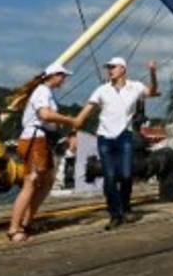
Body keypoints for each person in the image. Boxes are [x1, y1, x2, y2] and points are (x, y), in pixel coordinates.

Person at [73, 57, 159, 230]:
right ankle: (115, 214)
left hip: (124, 136)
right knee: (110, 176)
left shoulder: (135, 87)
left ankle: (125, 207)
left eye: (113, 67)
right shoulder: (101, 90)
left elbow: (152, 91)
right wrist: (74, 128)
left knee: (127, 174)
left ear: (123, 69)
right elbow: (86, 111)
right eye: (108, 67)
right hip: (104, 137)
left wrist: (152, 73)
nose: (109, 70)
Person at [8, 64, 75, 243]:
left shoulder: (46, 92)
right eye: (62, 76)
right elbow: (44, 115)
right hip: (35, 138)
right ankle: (15, 228)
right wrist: (69, 119)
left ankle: (26, 221)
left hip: (42, 139)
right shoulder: (42, 91)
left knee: (47, 180)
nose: (63, 79)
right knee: (32, 181)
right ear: (53, 76)